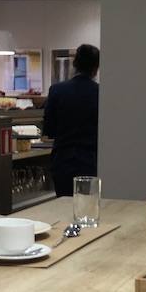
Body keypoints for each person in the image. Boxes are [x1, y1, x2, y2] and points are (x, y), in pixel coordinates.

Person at [42, 43, 100, 197]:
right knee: (87, 204)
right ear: (96, 67)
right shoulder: (100, 92)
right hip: (91, 160)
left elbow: (48, 128)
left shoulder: (57, 90)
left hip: (62, 160)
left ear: (74, 63)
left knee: (63, 204)